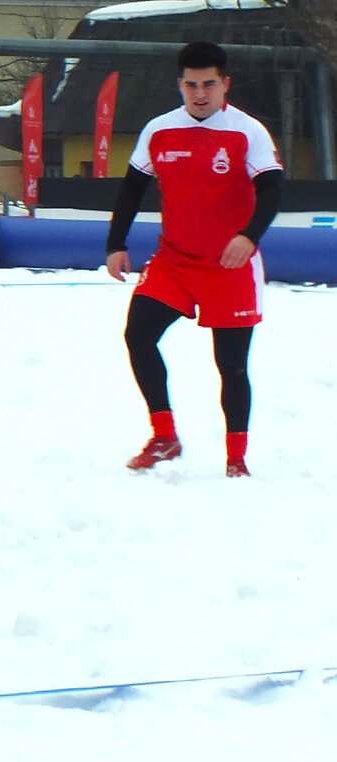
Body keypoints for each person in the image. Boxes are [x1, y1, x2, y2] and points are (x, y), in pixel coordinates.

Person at [106, 41, 283, 477]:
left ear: (225, 84)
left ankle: (236, 458)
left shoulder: (249, 131)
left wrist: (249, 237)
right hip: (175, 262)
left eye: (208, 84)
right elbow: (131, 189)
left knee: (231, 365)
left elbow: (273, 189)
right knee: (138, 334)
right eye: (191, 85)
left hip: (230, 267)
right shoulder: (159, 130)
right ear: (180, 84)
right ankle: (165, 436)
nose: (200, 93)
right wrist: (115, 243)